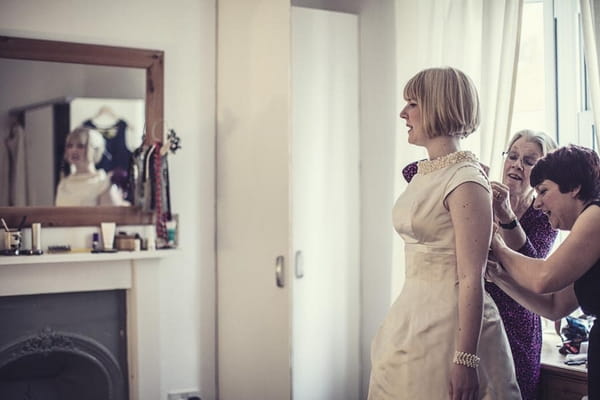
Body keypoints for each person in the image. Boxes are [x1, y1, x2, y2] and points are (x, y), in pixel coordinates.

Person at [368, 67, 521, 400]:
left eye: (412, 103)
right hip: (410, 315)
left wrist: (465, 359)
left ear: (438, 106)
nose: (403, 113)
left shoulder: (466, 180)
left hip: (450, 326)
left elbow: (471, 276)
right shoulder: (426, 175)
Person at [488, 144, 600, 400]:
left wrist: (498, 246)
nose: (537, 203)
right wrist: (499, 276)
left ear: (574, 188)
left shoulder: (596, 214)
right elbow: (555, 305)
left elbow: (543, 278)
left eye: (543, 191)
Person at [486, 129, 558, 399]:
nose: (517, 164)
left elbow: (532, 265)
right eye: (512, 156)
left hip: (519, 320)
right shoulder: (480, 198)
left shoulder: (545, 212)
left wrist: (505, 215)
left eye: (529, 161)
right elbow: (411, 171)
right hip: (476, 315)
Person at [55, 126, 129, 206]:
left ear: (94, 149)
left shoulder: (103, 182)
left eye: (80, 146)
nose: (73, 150)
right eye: (70, 146)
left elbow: (108, 216)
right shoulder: (63, 184)